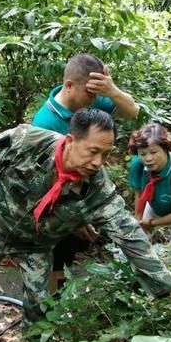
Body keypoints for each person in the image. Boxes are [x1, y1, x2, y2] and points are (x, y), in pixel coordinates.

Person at [0, 109, 171, 335]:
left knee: (38, 301)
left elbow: (130, 234)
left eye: (106, 154)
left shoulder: (97, 188)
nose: (98, 162)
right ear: (70, 141)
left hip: (34, 246)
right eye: (93, 151)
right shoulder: (29, 140)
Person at [32, 53, 139, 292]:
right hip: (56, 203)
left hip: (80, 195)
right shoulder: (44, 124)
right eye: (91, 94)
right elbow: (44, 182)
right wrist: (74, 219)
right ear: (69, 86)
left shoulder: (90, 102)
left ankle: (57, 295)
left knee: (67, 256)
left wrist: (112, 91)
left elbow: (132, 111)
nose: (94, 100)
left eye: (97, 94)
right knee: (53, 258)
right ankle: (49, 299)